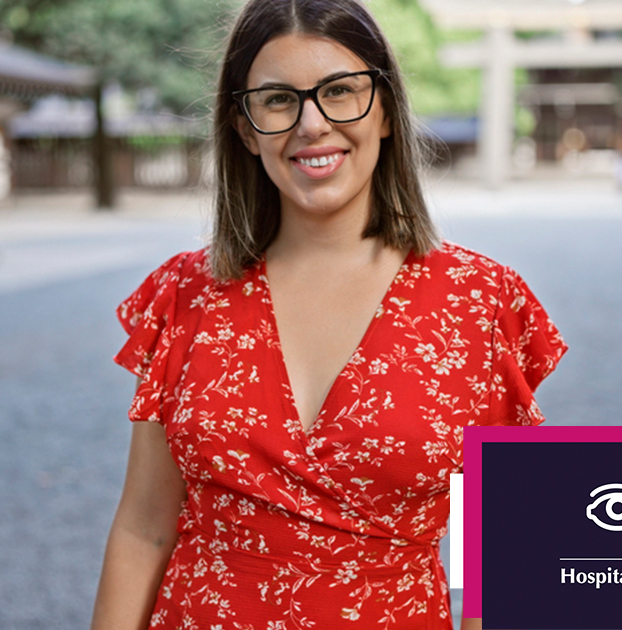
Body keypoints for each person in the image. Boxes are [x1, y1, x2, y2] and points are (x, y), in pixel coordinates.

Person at [90, 0, 567, 628]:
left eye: (340, 92)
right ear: (244, 126)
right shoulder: (185, 295)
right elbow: (143, 528)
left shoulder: (480, 302)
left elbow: (493, 558)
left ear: (388, 110)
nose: (312, 123)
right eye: (279, 100)